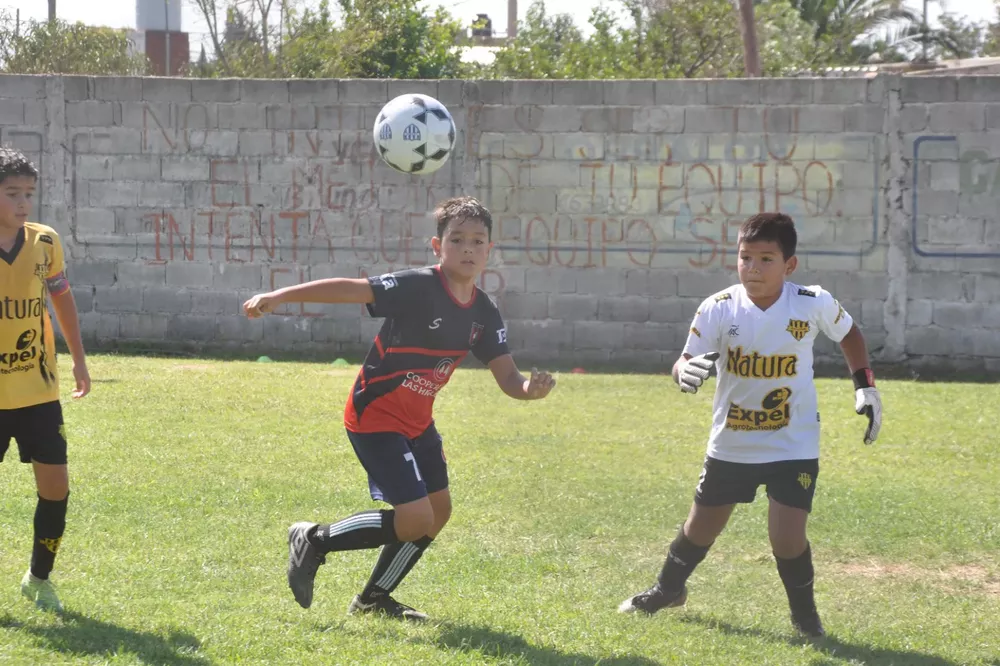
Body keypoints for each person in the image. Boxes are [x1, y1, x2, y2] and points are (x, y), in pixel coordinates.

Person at [243, 196, 556, 621]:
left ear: (489, 249)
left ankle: (372, 600)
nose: (468, 248)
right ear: (436, 246)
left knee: (438, 513)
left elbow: (508, 377)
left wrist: (528, 390)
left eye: (477, 241)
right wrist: (280, 295)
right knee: (413, 520)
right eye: (457, 239)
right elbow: (354, 289)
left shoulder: (483, 312)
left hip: (417, 422)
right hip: (374, 417)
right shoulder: (417, 286)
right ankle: (313, 539)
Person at [618, 212, 882, 638]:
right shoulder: (719, 307)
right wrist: (682, 371)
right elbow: (686, 358)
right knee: (700, 528)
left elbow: (850, 334)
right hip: (733, 441)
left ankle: (806, 618)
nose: (753, 269)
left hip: (792, 441)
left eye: (766, 259)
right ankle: (667, 590)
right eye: (745, 258)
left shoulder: (811, 302)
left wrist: (865, 386)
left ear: (789, 265)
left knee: (787, 537)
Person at [0, 146, 91, 613]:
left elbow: (62, 301)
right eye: (12, 193)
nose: (22, 203)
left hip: (38, 392)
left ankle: (38, 578)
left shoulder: (46, 242)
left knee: (55, 488)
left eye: (28, 194)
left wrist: (78, 358)